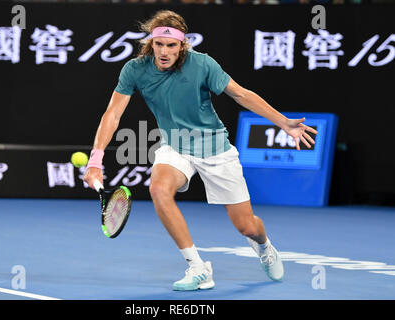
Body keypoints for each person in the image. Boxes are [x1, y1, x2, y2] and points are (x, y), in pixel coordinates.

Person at [83, 10, 317, 291]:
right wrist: (96, 159)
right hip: (175, 146)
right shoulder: (135, 69)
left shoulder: (203, 65)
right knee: (158, 189)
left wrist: (283, 123)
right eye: (159, 44)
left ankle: (264, 246)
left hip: (215, 148)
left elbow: (241, 94)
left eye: (172, 45)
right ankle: (197, 267)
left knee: (247, 227)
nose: (165, 51)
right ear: (151, 43)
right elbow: (113, 114)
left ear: (182, 45)